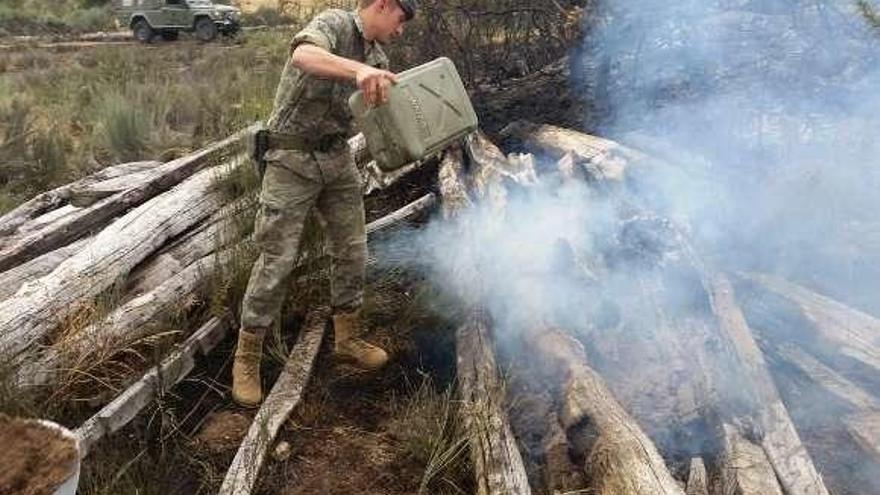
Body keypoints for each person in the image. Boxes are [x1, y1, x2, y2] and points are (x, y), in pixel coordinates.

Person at [231, 0, 417, 407]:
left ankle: (347, 338)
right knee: (276, 259)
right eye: (400, 20)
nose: (400, 30)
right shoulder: (334, 24)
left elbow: (377, 118)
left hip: (336, 160)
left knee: (352, 250)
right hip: (290, 159)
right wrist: (358, 71)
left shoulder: (378, 56)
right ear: (382, 5)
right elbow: (303, 55)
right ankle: (246, 356)